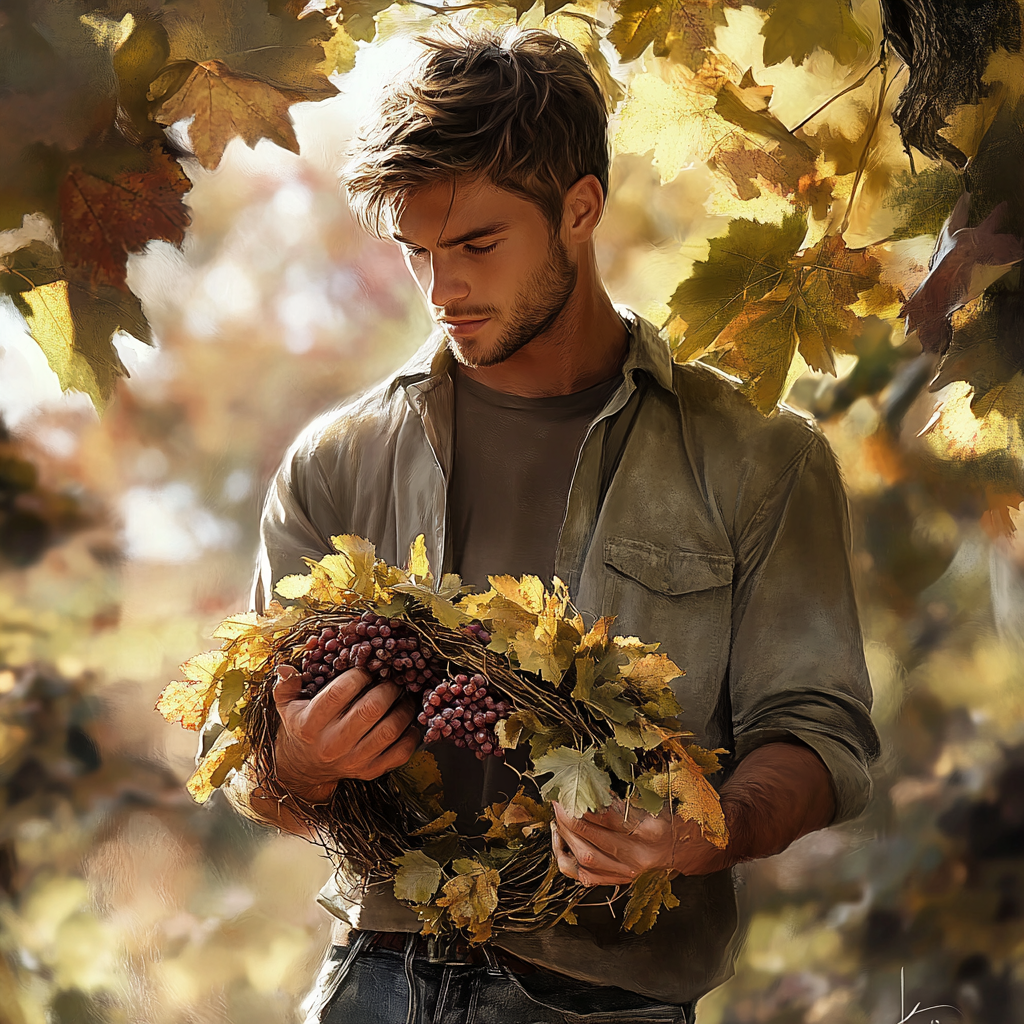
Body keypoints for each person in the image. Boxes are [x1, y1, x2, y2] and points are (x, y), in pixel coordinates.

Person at [228, 25, 880, 1024]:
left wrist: (706, 831)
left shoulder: (759, 458)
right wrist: (302, 764)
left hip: (604, 999)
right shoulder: (335, 463)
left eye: (478, 245)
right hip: (371, 979)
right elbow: (254, 775)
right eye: (417, 253)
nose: (442, 290)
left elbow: (818, 734)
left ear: (580, 209)